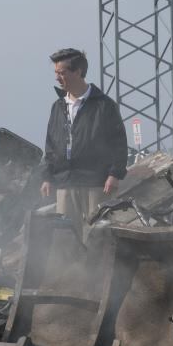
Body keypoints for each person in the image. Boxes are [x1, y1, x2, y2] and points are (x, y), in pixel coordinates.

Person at [40, 48, 128, 239]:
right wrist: (47, 176)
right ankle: (70, 269)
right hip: (65, 182)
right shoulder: (58, 107)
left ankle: (98, 269)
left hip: (96, 183)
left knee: (97, 235)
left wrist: (115, 174)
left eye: (62, 73)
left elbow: (119, 142)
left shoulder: (104, 105)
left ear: (78, 72)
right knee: (65, 235)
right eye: (56, 73)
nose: (57, 78)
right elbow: (51, 145)